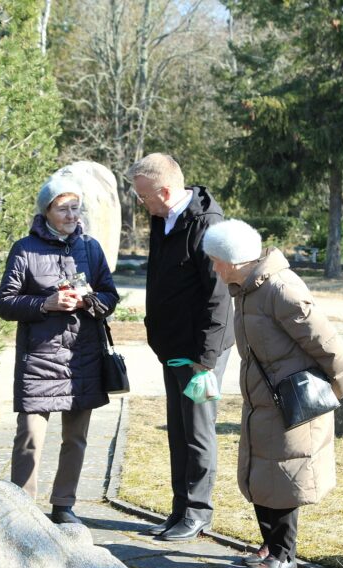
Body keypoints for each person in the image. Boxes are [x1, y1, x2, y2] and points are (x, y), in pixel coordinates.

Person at [203, 219, 343, 568]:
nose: (213, 268)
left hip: (291, 402)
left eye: (215, 260)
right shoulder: (246, 289)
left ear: (233, 260)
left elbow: (331, 347)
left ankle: (285, 553)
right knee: (262, 471)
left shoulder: (281, 290)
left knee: (284, 476)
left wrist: (332, 393)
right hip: (262, 400)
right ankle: (269, 545)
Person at [0, 174, 119, 526]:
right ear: (46, 210)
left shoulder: (91, 248)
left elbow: (110, 296)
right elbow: (4, 303)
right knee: (30, 437)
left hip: (83, 357)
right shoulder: (25, 249)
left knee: (75, 438)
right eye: (63, 208)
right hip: (40, 360)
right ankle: (23, 509)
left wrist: (89, 300)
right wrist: (47, 303)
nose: (71, 214)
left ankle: (64, 505)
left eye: (76, 207)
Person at [129, 153, 234, 541]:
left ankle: (199, 512)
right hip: (172, 345)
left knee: (198, 429)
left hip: (201, 352)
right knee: (178, 429)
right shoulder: (162, 217)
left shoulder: (208, 225)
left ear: (166, 190)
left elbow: (218, 297)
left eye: (144, 197)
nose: (142, 204)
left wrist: (205, 361)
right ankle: (181, 509)